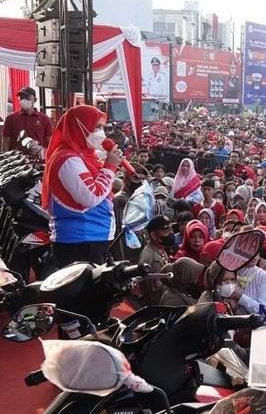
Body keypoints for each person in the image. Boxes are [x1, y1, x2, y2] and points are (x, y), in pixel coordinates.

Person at [42, 105, 122, 267]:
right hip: (80, 241)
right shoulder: (68, 160)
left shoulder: (84, 155)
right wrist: (109, 167)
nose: (102, 133)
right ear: (79, 126)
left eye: (103, 127)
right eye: (97, 127)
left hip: (92, 238)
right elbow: (90, 196)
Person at [137, 215, 174, 306]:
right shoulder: (152, 260)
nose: (171, 234)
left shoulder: (159, 248)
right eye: (166, 231)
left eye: (171, 230)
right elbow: (158, 296)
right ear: (154, 235)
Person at [2, 86, 53, 152]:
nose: (23, 100)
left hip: (39, 159)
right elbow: (6, 142)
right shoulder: (10, 119)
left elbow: (50, 142)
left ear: (35, 100)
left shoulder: (44, 119)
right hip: (17, 159)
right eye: (21, 97)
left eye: (27, 97)